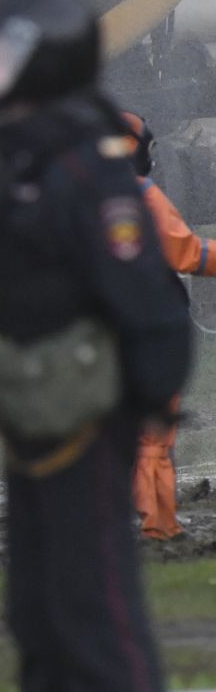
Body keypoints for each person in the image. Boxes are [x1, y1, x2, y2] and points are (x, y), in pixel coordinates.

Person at [0, 0, 189, 692]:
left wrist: (150, 401)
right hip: (28, 427)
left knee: (97, 595)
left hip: (95, 421)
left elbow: (150, 302)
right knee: (38, 603)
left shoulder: (92, 174)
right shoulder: (9, 181)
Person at [122, 111, 213, 542]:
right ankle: (158, 522)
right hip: (150, 329)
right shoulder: (142, 195)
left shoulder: (75, 198)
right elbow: (188, 255)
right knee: (155, 430)